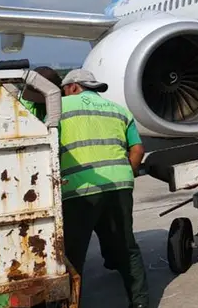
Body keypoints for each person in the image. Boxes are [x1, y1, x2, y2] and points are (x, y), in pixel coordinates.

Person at [58, 69, 149, 308]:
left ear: (74, 87)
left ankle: (70, 303)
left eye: (64, 90)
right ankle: (140, 302)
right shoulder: (118, 110)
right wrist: (124, 172)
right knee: (126, 247)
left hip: (78, 190)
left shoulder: (59, 110)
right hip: (119, 186)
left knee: (73, 253)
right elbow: (138, 149)